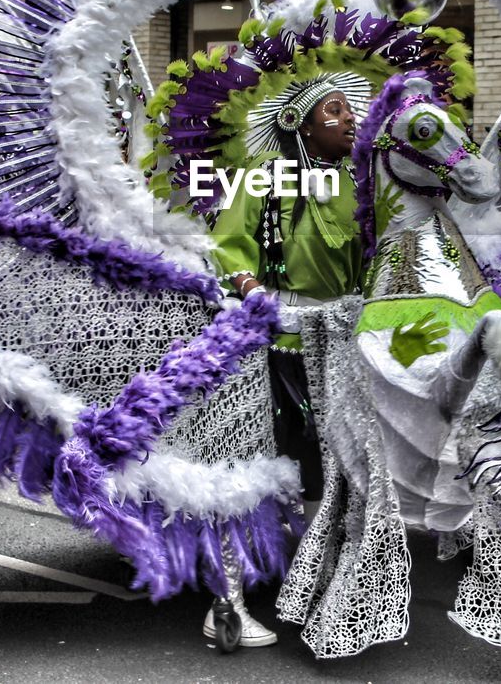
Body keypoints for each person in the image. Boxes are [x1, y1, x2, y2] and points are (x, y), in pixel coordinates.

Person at [207, 74, 366, 647]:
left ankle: (320, 593)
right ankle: (225, 605)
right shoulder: (263, 178)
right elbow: (227, 245)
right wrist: (253, 292)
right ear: (299, 121)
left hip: (341, 347)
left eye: (352, 111)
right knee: (253, 473)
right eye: (335, 110)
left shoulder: (359, 183)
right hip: (271, 350)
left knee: (337, 477)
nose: (349, 119)